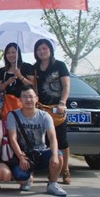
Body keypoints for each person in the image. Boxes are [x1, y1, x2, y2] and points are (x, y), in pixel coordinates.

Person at [6, 85, 67, 197]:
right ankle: (27, 179)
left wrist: (54, 155)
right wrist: (21, 157)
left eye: (31, 96)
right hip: (24, 155)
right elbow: (12, 138)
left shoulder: (45, 116)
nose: (28, 100)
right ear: (20, 99)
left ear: (36, 99)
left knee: (58, 156)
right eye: (24, 97)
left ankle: (53, 184)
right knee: (21, 177)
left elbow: (52, 137)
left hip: (41, 153)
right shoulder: (13, 115)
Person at [34, 39, 72, 185]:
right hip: (42, 109)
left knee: (62, 140)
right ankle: (52, 171)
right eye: (39, 49)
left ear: (50, 50)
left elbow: (66, 86)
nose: (42, 52)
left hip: (57, 109)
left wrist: (62, 102)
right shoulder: (35, 68)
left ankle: (66, 170)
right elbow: (34, 87)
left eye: (44, 48)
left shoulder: (60, 65)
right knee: (47, 141)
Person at [0, 43, 35, 119]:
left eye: (13, 52)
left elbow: (33, 85)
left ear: (18, 54)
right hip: (8, 104)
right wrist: (7, 82)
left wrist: (20, 77)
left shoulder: (27, 67)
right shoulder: (2, 70)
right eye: (8, 53)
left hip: (25, 103)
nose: (11, 55)